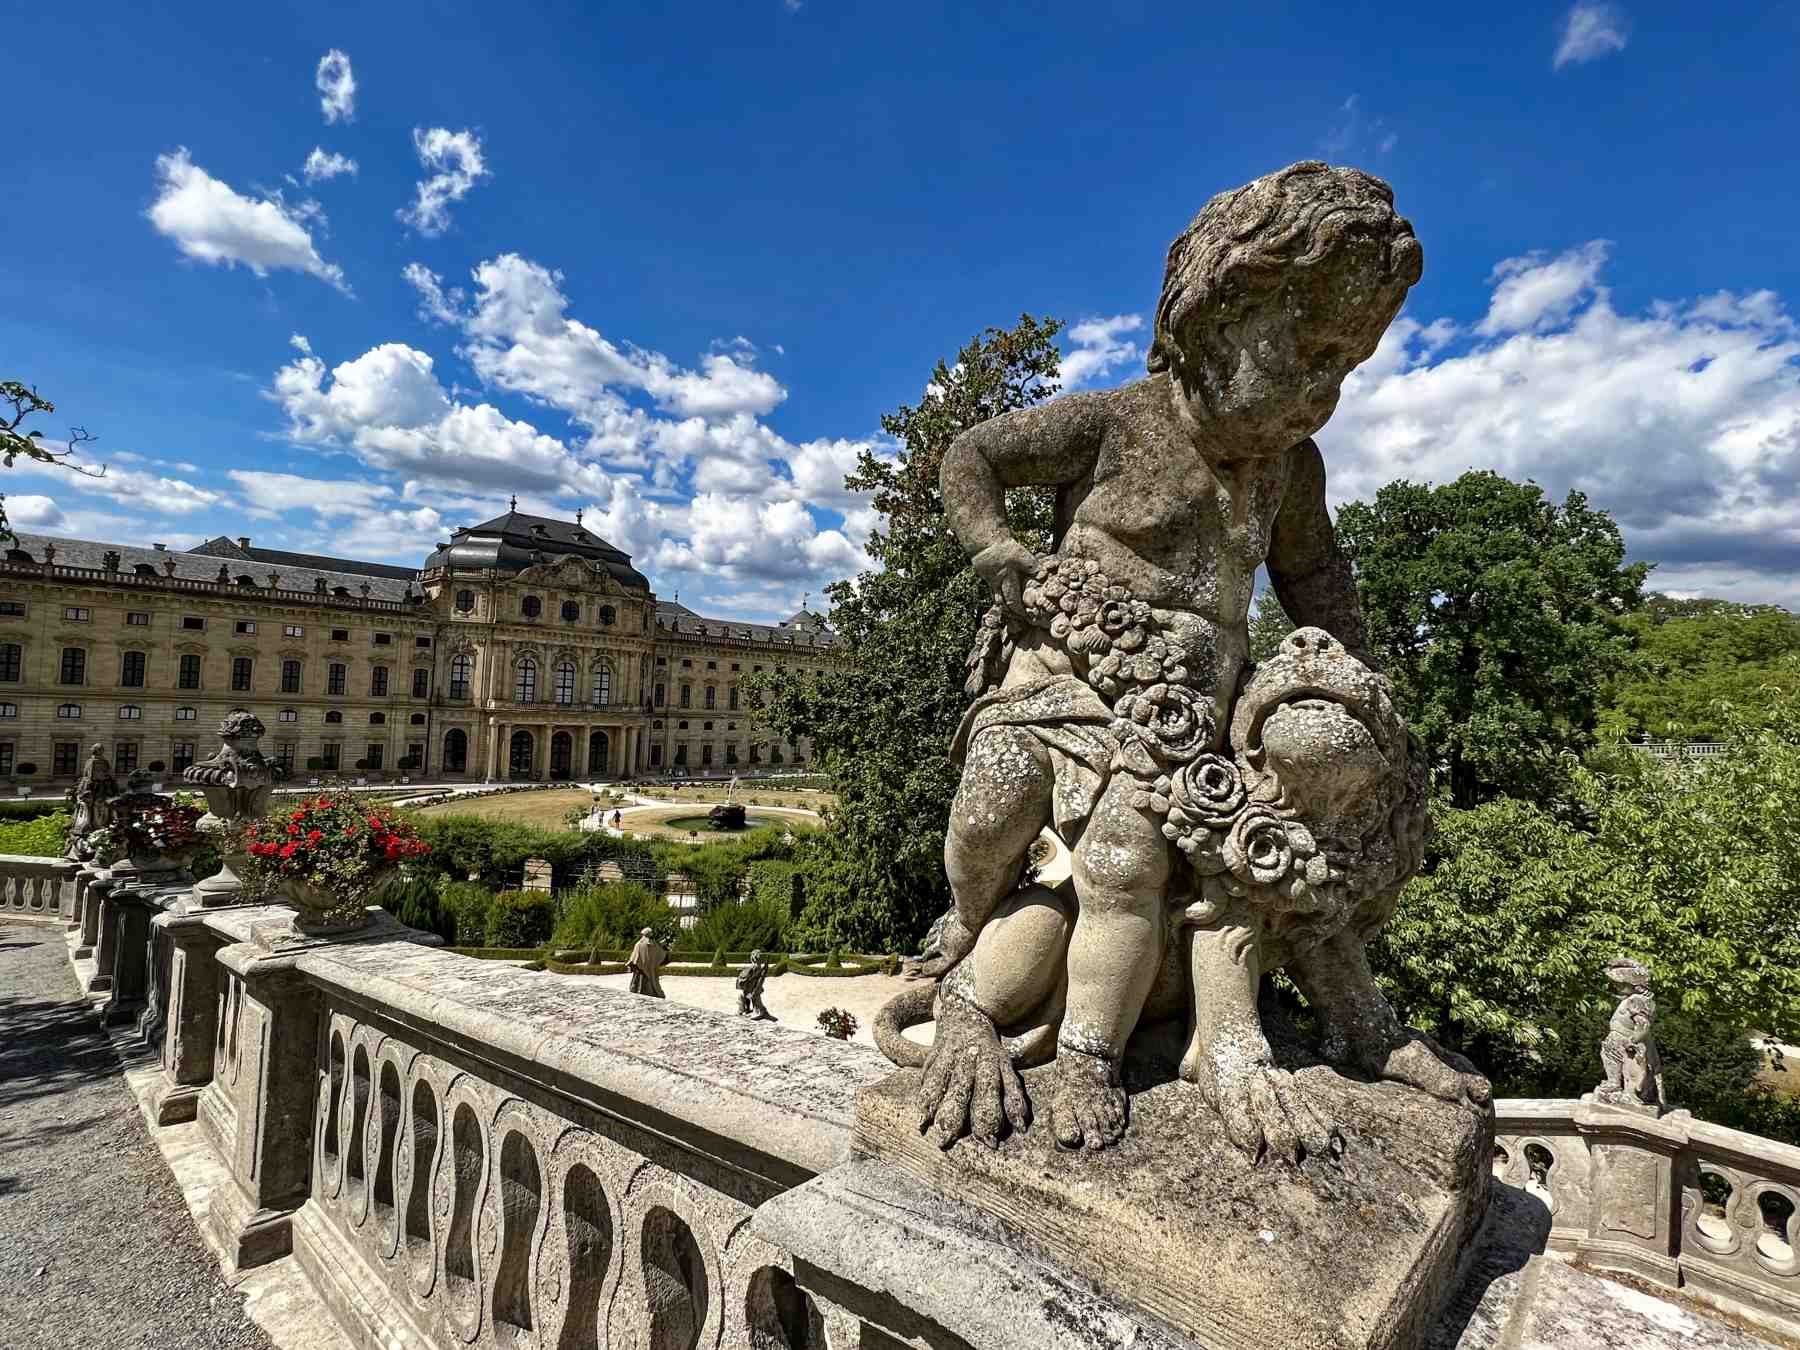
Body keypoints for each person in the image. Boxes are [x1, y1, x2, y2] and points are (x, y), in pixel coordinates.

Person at [912, 160, 1487, 1154]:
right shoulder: (1119, 423)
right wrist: (998, 550)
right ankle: (969, 922)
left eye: (1344, 367)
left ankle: (1101, 1047)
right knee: (988, 813)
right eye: (1307, 351)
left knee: (1139, 859)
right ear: (1212, 324)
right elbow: (970, 457)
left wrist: (1362, 674)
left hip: (1182, 720)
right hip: (1063, 682)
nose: (1320, 390)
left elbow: (1316, 575)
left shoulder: (1291, 468)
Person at [627, 926, 667, 998]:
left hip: (641, 969)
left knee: (640, 982)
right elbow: (662, 955)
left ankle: (640, 992)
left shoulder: (639, 944)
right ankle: (653, 992)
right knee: (653, 981)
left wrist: (629, 964)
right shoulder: (655, 944)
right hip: (651, 969)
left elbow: (634, 958)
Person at [736, 949, 774, 1020]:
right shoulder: (758, 966)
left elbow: (748, 976)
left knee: (745, 997)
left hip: (751, 987)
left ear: (753, 957)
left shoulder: (754, 966)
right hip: (753, 987)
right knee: (747, 997)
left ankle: (745, 1011)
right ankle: (747, 1010)